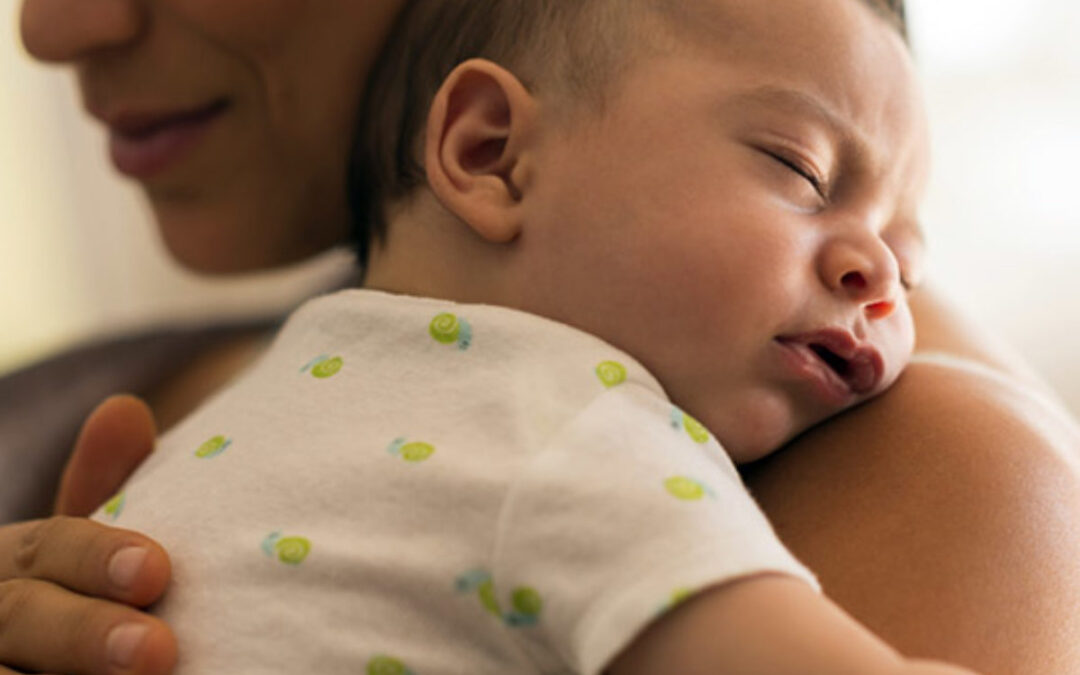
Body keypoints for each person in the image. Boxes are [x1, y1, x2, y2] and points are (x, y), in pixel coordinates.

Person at [2, 0, 1077, 673]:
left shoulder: (921, 458)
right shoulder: (554, 421)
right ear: (487, 148)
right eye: (798, 172)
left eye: (908, 249)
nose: (47, 25)